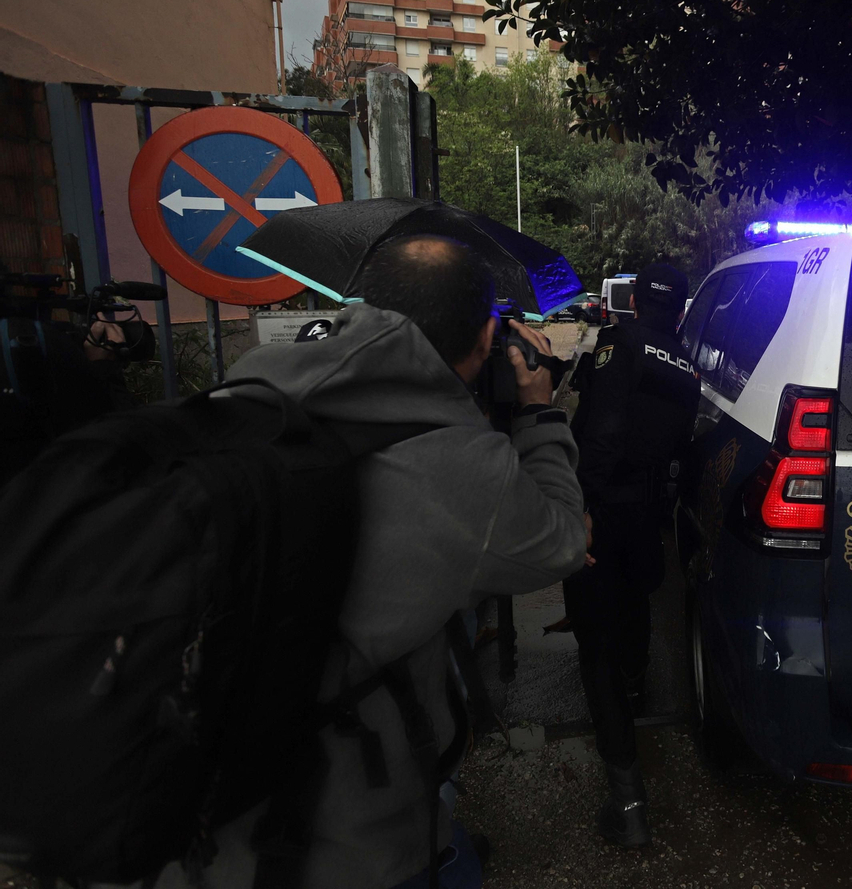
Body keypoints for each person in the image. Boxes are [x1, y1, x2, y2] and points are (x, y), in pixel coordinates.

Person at [164, 233, 588, 888]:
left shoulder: (248, 391)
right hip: (342, 836)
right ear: (486, 336)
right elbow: (562, 539)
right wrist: (538, 410)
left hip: (188, 794)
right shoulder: (462, 465)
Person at [565, 261, 701, 848]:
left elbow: (603, 430)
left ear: (636, 302)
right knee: (636, 604)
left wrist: (580, 507)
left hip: (604, 508)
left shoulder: (619, 344)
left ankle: (628, 805)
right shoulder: (689, 369)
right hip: (647, 515)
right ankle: (637, 684)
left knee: (595, 648)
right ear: (683, 310)